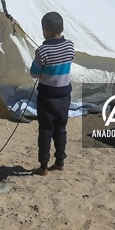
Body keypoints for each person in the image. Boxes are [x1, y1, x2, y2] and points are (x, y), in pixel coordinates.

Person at [30, 12, 75, 176]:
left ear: (45, 31)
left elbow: (34, 73)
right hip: (64, 96)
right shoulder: (70, 45)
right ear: (62, 28)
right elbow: (69, 59)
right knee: (60, 129)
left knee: (46, 131)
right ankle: (60, 162)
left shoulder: (42, 51)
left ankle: (43, 166)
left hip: (47, 97)